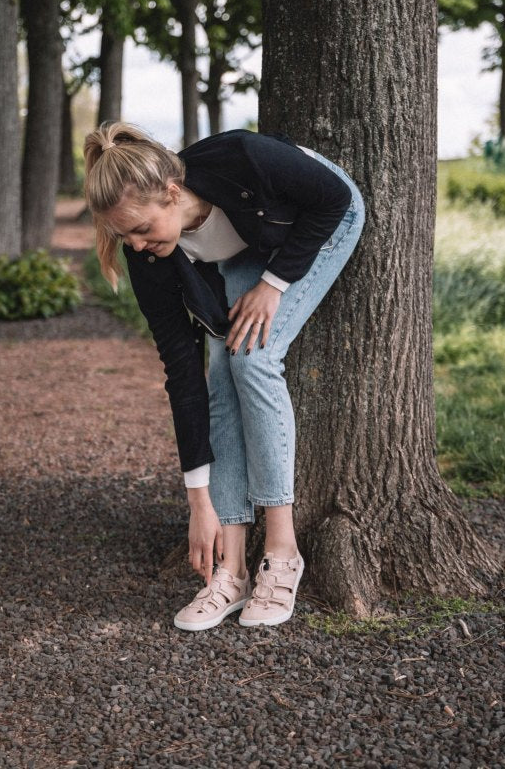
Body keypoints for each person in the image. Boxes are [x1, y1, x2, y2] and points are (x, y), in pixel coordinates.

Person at [84, 121, 365, 631]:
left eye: (142, 229)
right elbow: (181, 371)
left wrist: (274, 285)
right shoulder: (146, 255)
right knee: (220, 370)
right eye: (123, 234)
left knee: (253, 359)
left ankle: (282, 553)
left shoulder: (243, 156)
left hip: (318, 219)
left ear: (172, 193)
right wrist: (198, 503)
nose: (137, 245)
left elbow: (332, 199)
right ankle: (230, 570)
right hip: (250, 246)